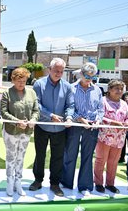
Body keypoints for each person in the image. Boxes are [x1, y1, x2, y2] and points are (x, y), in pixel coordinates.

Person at [30, 58, 74, 197]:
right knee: (40, 155)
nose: (58, 74)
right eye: (56, 71)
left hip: (60, 129)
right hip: (43, 126)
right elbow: (36, 104)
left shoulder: (67, 86)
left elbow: (70, 105)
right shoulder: (39, 84)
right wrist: (50, 115)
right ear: (49, 69)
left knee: (57, 157)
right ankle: (37, 181)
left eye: (61, 71)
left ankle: (55, 184)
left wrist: (68, 117)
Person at [61, 63, 104, 196]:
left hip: (92, 127)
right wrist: (79, 119)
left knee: (87, 156)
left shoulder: (97, 90)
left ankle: (85, 186)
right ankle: (66, 182)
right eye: (86, 76)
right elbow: (68, 107)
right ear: (81, 74)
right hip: (75, 125)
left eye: (92, 76)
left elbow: (100, 109)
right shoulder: (71, 88)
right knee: (70, 153)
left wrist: (98, 119)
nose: (89, 79)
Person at [0, 67, 39, 196]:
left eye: (24, 80)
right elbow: (4, 112)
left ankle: (18, 181)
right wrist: (17, 121)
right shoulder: (7, 93)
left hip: (26, 132)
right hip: (11, 131)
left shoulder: (32, 93)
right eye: (18, 80)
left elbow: (36, 110)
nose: (21, 83)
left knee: (21, 157)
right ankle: (10, 182)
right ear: (13, 80)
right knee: (11, 157)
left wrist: (33, 119)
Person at [93, 79, 128, 194]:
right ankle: (98, 183)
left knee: (113, 162)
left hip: (119, 139)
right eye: (116, 88)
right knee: (101, 160)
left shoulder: (124, 104)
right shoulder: (103, 101)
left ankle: (110, 184)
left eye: (121, 89)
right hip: (104, 137)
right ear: (109, 90)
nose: (119, 91)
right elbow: (99, 117)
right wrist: (113, 122)